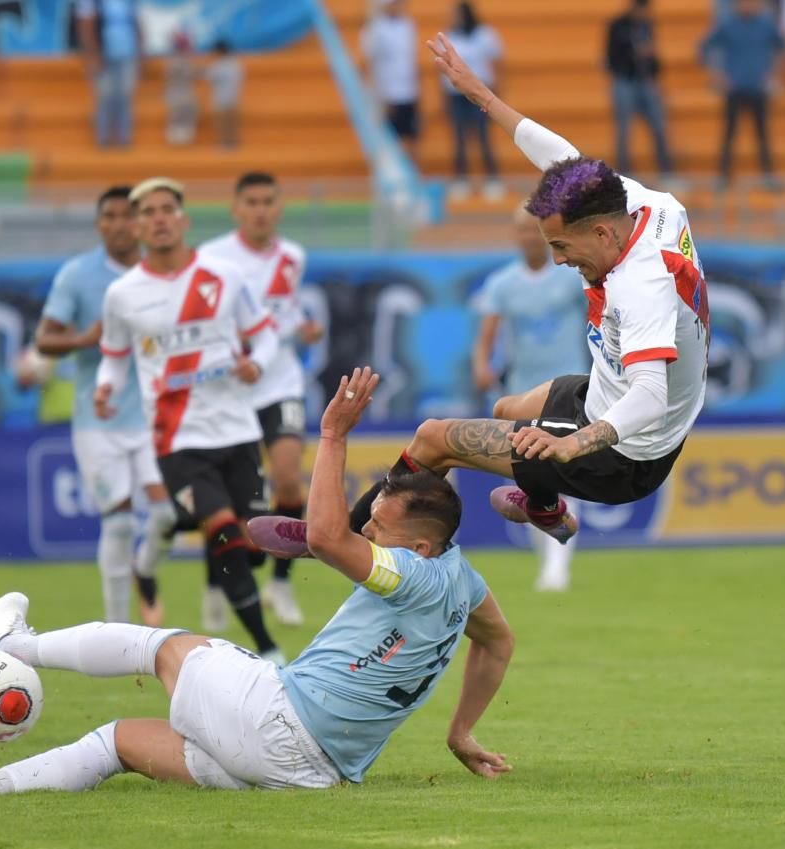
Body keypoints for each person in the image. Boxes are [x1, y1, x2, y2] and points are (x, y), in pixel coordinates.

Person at [0, 367, 515, 798]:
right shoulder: (462, 582)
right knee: (117, 743)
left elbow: (325, 537)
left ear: (423, 545)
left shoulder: (412, 571)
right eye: (370, 521)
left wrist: (332, 435)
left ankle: (12, 645)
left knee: (157, 646)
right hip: (313, 774)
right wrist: (460, 732)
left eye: (380, 525)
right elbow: (498, 642)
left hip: (277, 721)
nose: (368, 531)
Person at [253, 32, 711, 556]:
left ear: (603, 233)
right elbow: (562, 156)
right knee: (506, 406)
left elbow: (650, 394)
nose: (559, 259)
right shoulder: (649, 206)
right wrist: (482, 97)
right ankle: (542, 505)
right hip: (607, 395)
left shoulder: (641, 285)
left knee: (432, 438)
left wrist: (571, 445)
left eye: (563, 246)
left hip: (623, 453)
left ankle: (336, 537)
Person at [94, 177, 284, 662]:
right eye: (148, 212)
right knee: (221, 529)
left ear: (183, 219)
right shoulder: (123, 294)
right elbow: (114, 357)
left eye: (166, 209)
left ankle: (165, 529)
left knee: (253, 543)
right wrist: (106, 388)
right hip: (176, 439)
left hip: (238, 429)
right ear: (137, 226)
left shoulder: (223, 276)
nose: (158, 218)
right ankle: (267, 650)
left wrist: (256, 364)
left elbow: (264, 336)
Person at [29, 186, 176, 628]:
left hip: (156, 415)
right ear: (99, 225)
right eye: (108, 216)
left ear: (141, 223)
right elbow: (43, 339)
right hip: (100, 418)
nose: (119, 225)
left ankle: (145, 570)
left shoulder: (161, 274)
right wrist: (81, 339)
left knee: (169, 514)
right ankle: (117, 631)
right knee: (118, 524)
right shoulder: (78, 275)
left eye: (126, 216)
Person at [200, 172, 324, 628]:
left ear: (279, 207)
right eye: (250, 201)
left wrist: (305, 328)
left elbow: (283, 314)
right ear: (235, 208)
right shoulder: (211, 258)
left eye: (268, 201)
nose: (259, 210)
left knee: (288, 478)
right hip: (231, 389)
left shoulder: (292, 257)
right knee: (231, 498)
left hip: (280, 382)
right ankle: (215, 584)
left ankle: (281, 581)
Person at [473, 206, 588, 591]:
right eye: (521, 229)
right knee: (532, 475)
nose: (527, 236)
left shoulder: (571, 277)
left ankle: (558, 564)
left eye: (533, 230)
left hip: (569, 385)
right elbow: (487, 332)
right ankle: (550, 558)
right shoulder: (503, 284)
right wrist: (481, 364)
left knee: (566, 467)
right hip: (525, 391)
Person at [700, 0, 785, 191]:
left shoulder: (766, 25)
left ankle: (768, 175)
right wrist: (718, 76)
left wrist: (774, 75)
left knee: (762, 134)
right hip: (735, 90)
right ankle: (723, 177)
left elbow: (782, 48)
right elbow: (704, 48)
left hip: (758, 89)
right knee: (729, 134)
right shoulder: (728, 25)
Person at [605, 0, 677, 181]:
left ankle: (666, 171)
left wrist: (653, 67)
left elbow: (653, 56)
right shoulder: (617, 26)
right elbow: (611, 57)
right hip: (625, 81)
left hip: (645, 81)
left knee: (659, 126)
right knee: (624, 130)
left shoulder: (647, 26)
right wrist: (633, 53)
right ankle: (624, 174)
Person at [440, 1, 504, 200]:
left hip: (480, 93)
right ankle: (461, 179)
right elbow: (442, 69)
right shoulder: (449, 35)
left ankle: (492, 179)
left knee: (483, 136)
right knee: (459, 137)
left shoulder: (485, 35)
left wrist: (496, 93)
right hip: (456, 95)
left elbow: (496, 63)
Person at [75, 0, 142, 148]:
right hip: (104, 54)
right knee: (105, 98)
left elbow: (136, 23)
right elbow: (86, 25)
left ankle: (124, 140)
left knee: (125, 97)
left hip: (127, 53)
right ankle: (103, 139)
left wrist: (140, 51)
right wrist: (93, 54)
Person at [361, 0, 420, 161]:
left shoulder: (408, 25)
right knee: (390, 140)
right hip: (388, 94)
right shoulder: (375, 30)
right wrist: (380, 96)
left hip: (409, 91)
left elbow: (411, 61)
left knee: (412, 137)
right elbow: (373, 66)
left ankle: (412, 178)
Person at [205, 39, 243, 149]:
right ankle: (232, 143)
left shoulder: (220, 65)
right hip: (233, 98)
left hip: (222, 99)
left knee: (223, 124)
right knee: (231, 123)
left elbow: (209, 76)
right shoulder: (235, 64)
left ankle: (225, 144)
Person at [164, 31, 198, 145]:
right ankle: (177, 138)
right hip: (179, 93)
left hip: (181, 93)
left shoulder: (180, 61)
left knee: (185, 114)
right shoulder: (177, 61)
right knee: (179, 115)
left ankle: (182, 137)